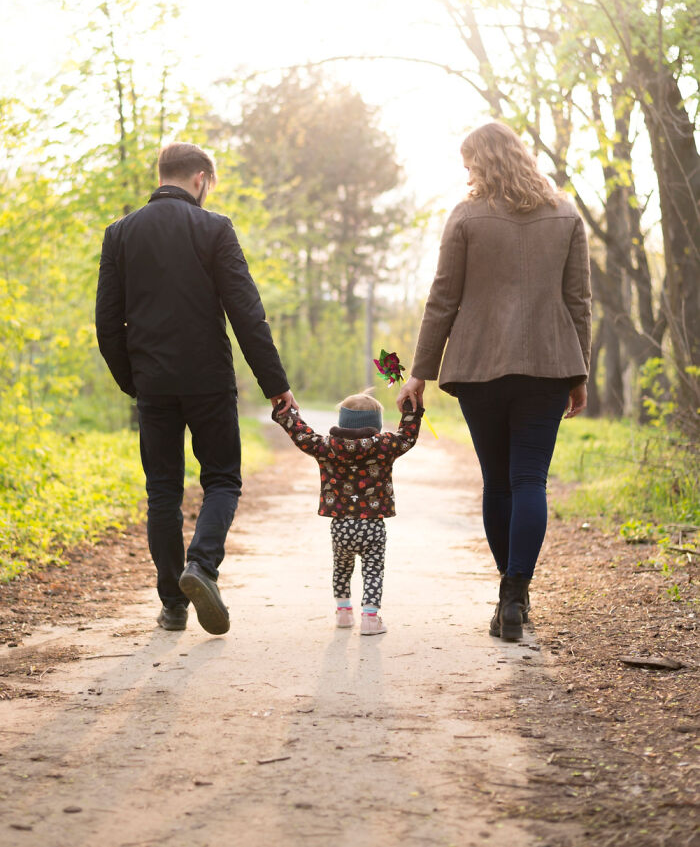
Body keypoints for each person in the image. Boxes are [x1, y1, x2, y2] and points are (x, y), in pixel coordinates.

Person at [397, 121, 591, 643]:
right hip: (549, 366)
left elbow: (443, 298)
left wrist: (420, 373)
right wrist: (581, 371)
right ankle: (515, 594)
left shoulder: (466, 217)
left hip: (480, 367)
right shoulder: (566, 212)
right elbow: (578, 302)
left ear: (484, 161)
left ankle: (510, 593)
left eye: (469, 164)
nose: (466, 174)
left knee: (498, 483)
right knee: (530, 481)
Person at [95, 141, 296, 635]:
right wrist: (276, 387)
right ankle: (201, 566)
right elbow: (248, 314)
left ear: (162, 174)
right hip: (208, 380)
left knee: (161, 490)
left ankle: (172, 605)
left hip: (154, 385)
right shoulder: (214, 228)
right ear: (202, 179)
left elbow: (106, 323)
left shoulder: (119, 234)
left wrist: (134, 380)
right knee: (222, 479)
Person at [272, 391, 423, 634]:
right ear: (376, 424)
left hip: (341, 526)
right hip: (373, 525)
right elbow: (407, 436)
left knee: (342, 568)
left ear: (343, 421)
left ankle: (343, 613)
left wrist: (286, 411)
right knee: (373, 570)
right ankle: (370, 619)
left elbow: (302, 435)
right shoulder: (384, 446)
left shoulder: (326, 446)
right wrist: (411, 408)